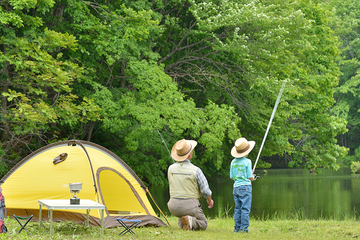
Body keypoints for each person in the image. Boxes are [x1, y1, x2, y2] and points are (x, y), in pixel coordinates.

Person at [167, 139, 214, 230]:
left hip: (173, 206)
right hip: (190, 206)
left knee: (183, 210)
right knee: (203, 224)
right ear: (189, 155)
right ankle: (190, 220)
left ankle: (183, 222)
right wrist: (209, 200)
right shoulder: (196, 170)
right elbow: (205, 191)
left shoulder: (170, 168)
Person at [230, 137, 255, 233]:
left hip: (236, 187)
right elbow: (250, 177)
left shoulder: (233, 162)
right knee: (245, 209)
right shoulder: (247, 161)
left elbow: (232, 177)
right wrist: (252, 177)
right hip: (245, 188)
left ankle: (237, 227)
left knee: (238, 209)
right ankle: (244, 228)